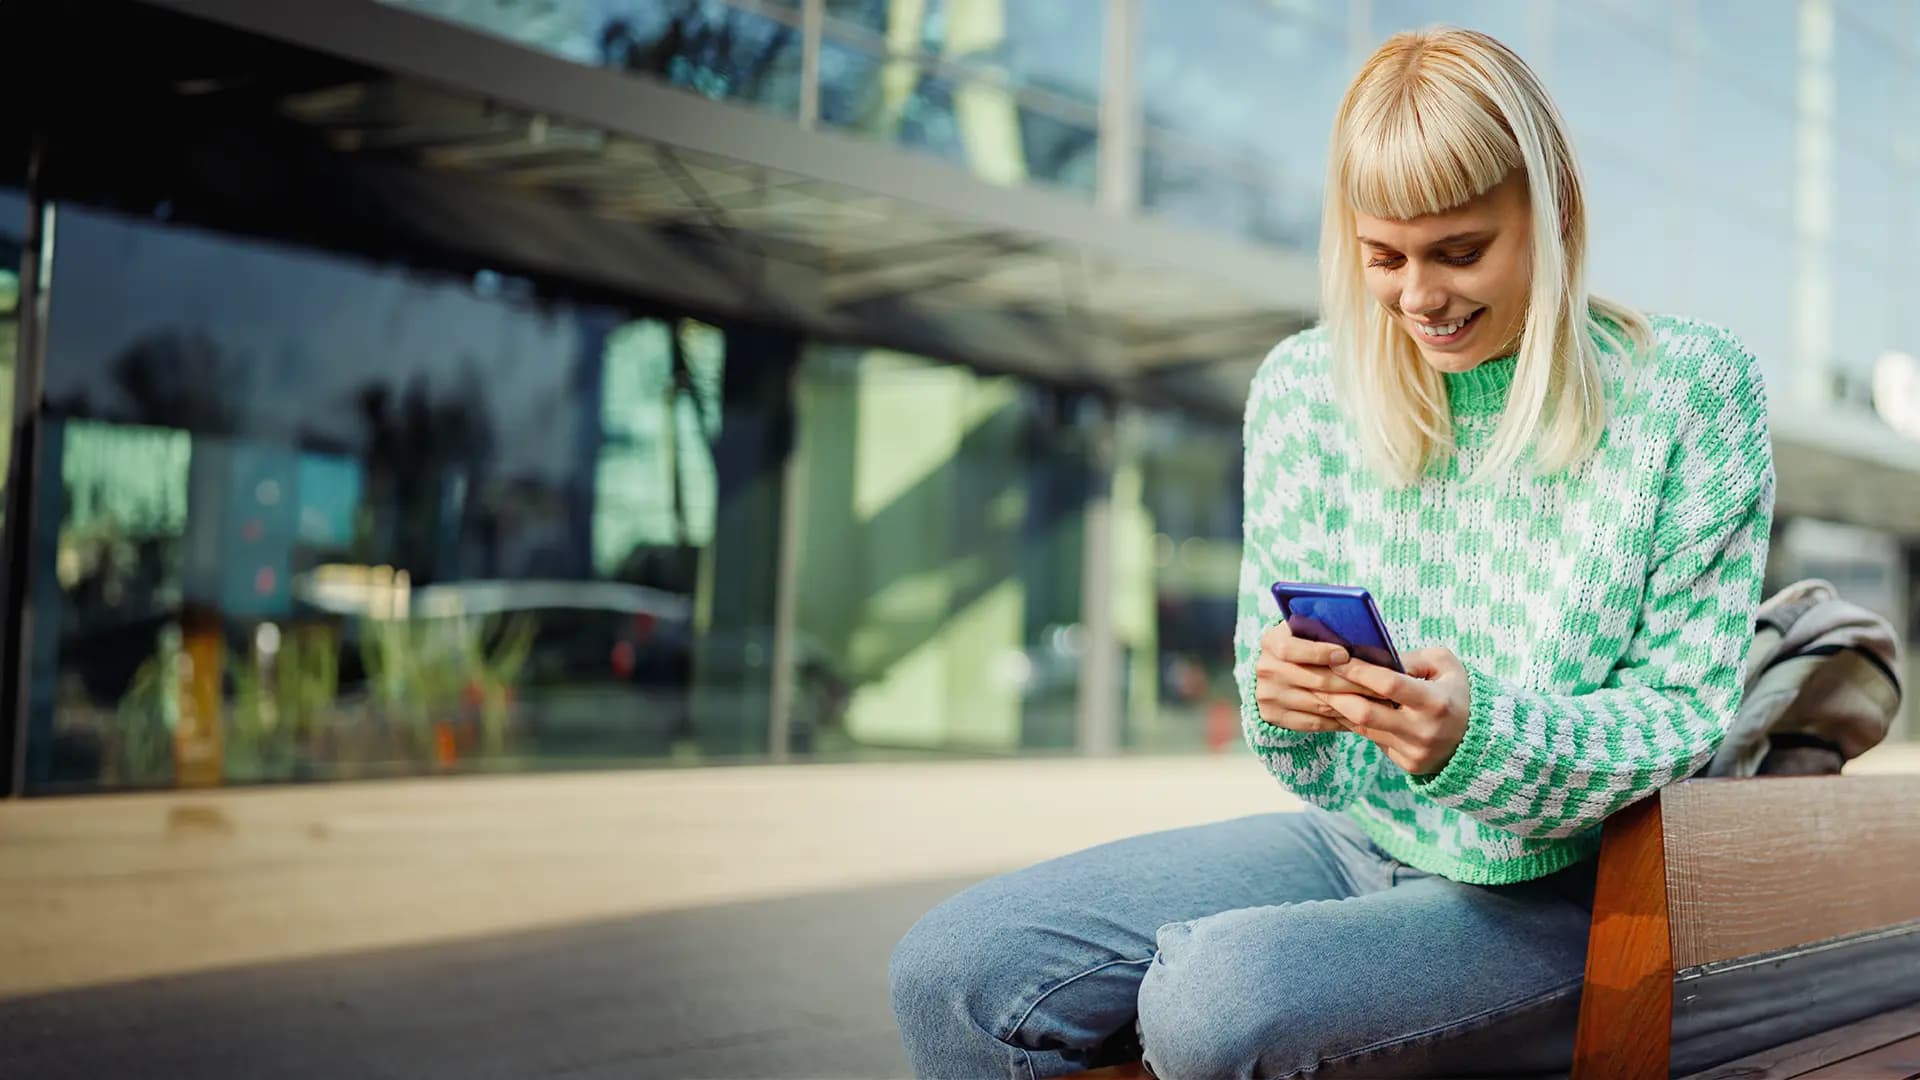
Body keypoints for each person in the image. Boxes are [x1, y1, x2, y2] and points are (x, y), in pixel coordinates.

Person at [888, 26, 1806, 1079]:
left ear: (1552, 212)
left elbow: (1680, 717)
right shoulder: (1302, 391)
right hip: (1353, 841)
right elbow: (1303, 757)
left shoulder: (1690, 394)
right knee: (952, 971)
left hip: (1569, 894)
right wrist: (1284, 695)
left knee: (1216, 1001)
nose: (1420, 296)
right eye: (1385, 256)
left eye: (1461, 251)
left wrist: (1480, 737)